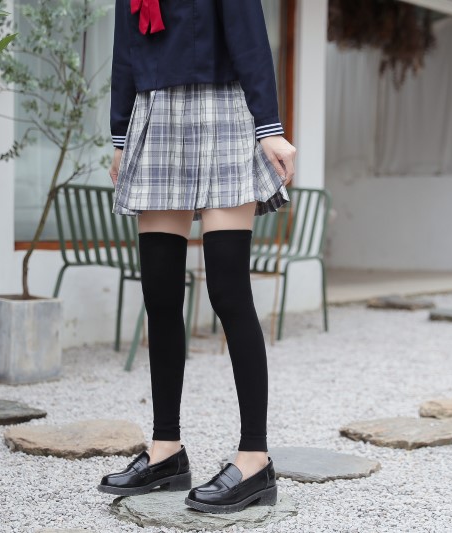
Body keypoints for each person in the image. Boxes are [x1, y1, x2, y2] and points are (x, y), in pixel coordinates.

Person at [96, 0, 297, 514]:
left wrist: (270, 127)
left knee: (228, 291)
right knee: (160, 293)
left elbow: (249, 34)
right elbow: (125, 48)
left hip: (223, 110)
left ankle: (254, 459)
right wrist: (120, 134)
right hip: (155, 114)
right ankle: (166, 450)